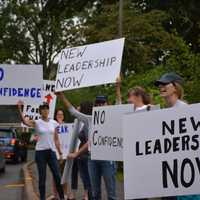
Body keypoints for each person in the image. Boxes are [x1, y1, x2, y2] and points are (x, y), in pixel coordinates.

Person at [56, 92, 117, 200]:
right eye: (98, 103)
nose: (100, 105)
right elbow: (73, 111)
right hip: (92, 159)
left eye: (103, 103)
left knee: (111, 193)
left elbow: (119, 105)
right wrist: (61, 96)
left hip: (108, 159)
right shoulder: (89, 119)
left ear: (108, 104)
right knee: (94, 193)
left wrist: (117, 88)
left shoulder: (113, 116)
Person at [155, 72, 200, 200]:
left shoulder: (186, 110)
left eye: (165, 84)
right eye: (160, 84)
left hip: (183, 178)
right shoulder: (164, 112)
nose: (161, 87)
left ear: (175, 87)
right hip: (170, 175)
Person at [17, 101, 65, 200]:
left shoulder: (54, 123)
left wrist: (60, 152)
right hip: (40, 153)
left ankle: (62, 197)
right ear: (40, 111)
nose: (45, 110)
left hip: (51, 152)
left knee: (57, 176)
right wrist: (20, 109)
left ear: (48, 110)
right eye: (43, 109)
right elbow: (25, 122)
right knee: (42, 178)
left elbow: (56, 139)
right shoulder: (37, 122)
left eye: (46, 108)